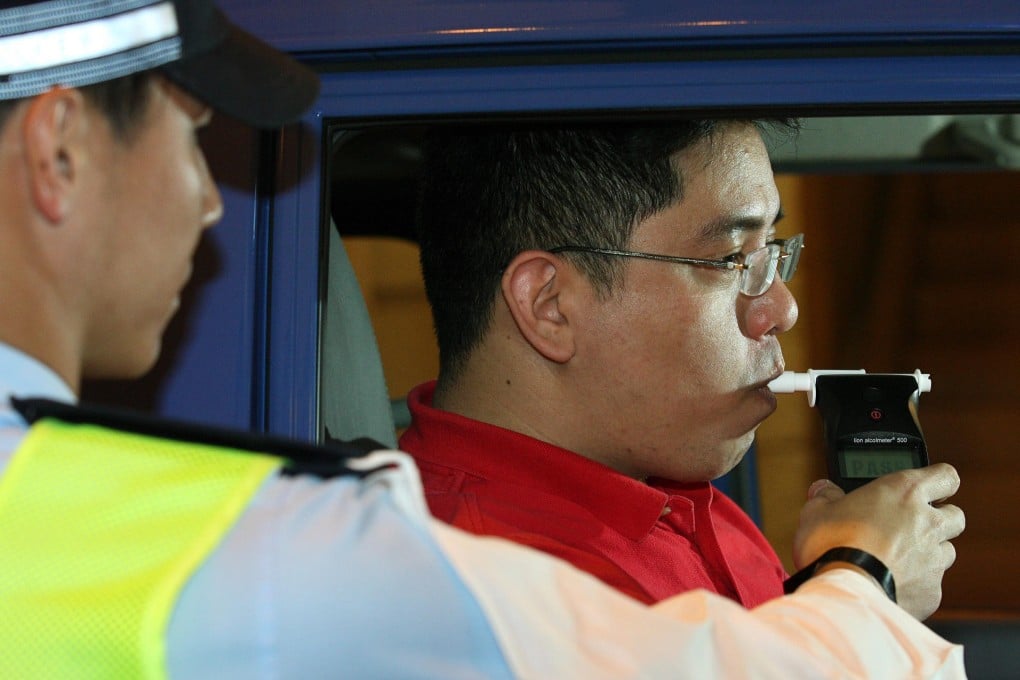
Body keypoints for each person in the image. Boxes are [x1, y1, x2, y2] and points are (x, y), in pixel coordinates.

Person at [0, 1, 965, 677]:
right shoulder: (298, 547)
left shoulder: (672, 488)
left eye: (775, 254)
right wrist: (863, 580)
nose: (210, 199)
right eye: (187, 132)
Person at [402, 122, 909, 608]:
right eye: (733, 260)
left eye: (772, 253)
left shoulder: (679, 499)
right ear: (551, 306)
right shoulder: (482, 586)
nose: (783, 309)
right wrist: (866, 585)